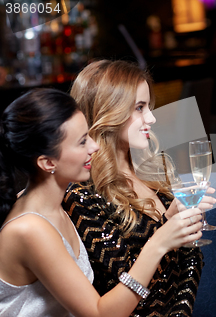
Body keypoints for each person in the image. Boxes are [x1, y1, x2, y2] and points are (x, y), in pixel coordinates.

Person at [0, 89, 203, 316]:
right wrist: (158, 243)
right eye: (82, 142)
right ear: (47, 163)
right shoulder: (30, 228)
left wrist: (166, 223)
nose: (94, 147)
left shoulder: (54, 206)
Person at [62, 60, 216, 316]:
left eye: (149, 107)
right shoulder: (82, 196)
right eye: (140, 108)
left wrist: (176, 226)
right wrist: (165, 232)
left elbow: (188, 268)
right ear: (107, 112)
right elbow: (127, 295)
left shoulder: (157, 171)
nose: (152, 118)